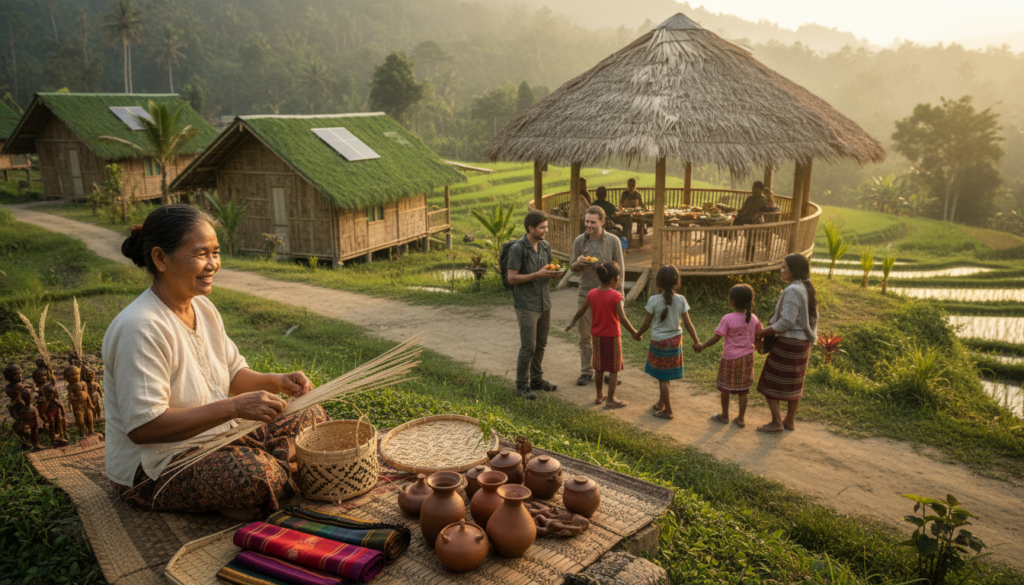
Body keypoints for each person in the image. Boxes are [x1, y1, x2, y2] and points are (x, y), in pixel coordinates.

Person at [104, 204, 327, 520]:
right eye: (200, 254)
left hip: (220, 437)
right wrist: (234, 408)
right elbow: (144, 428)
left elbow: (233, 373)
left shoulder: (203, 308)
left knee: (313, 414)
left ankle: (263, 475)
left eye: (215, 253)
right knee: (258, 475)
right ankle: (279, 468)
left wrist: (276, 381)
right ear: (160, 258)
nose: (213, 264)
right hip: (157, 464)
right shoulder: (140, 327)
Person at [754, 254, 818, 433]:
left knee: (769, 381)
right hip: (802, 344)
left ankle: (776, 422)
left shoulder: (792, 290)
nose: (781, 271)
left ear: (794, 270)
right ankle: (789, 420)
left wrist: (764, 332)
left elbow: (786, 321)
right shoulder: (807, 287)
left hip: (788, 343)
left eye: (784, 267)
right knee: (794, 384)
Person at [506, 211, 563, 400]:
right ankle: (522, 385)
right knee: (528, 347)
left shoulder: (545, 247)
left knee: (541, 344)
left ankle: (537, 380)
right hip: (527, 304)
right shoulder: (518, 249)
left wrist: (555, 273)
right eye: (542, 227)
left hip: (544, 302)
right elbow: (512, 278)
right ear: (531, 228)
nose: (546, 230)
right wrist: (536, 275)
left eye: (546, 226)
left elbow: (547, 270)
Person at [565, 262, 638, 409]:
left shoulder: (592, 293)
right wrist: (634, 332)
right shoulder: (616, 296)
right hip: (612, 337)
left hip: (597, 336)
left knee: (599, 367)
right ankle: (610, 399)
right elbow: (622, 318)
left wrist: (572, 323)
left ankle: (599, 395)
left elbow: (581, 310)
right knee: (613, 369)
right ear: (614, 280)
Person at [632, 266, 700, 420]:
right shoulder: (681, 299)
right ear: (676, 282)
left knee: (662, 378)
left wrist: (637, 334)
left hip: (659, 343)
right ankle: (661, 403)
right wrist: (696, 342)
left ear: (658, 283)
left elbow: (646, 324)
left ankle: (668, 410)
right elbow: (688, 324)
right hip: (675, 342)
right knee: (665, 374)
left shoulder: (653, 300)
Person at [569, 206, 625, 386]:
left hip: (609, 295)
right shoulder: (579, 241)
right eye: (586, 221)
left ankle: (609, 370)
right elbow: (572, 267)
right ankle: (586, 371)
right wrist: (578, 262)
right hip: (586, 292)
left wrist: (620, 294)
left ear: (602, 221)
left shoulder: (613, 241)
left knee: (608, 335)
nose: (589, 225)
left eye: (593, 222)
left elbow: (620, 269)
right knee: (585, 335)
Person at [695, 284, 763, 427]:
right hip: (747, 359)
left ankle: (724, 416)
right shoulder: (754, 318)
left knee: (725, 388)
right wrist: (759, 347)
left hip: (730, 359)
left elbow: (716, 338)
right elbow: (759, 336)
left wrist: (702, 346)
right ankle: (741, 419)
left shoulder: (728, 318)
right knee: (743, 390)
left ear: (732, 301)